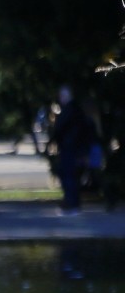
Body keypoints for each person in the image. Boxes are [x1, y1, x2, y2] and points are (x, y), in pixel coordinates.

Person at [50, 86, 99, 214]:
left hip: (70, 148)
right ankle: (72, 203)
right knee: (71, 176)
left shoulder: (70, 111)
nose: (61, 98)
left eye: (63, 95)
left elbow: (60, 130)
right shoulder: (74, 111)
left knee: (68, 176)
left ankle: (71, 204)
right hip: (72, 148)